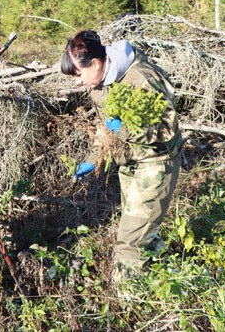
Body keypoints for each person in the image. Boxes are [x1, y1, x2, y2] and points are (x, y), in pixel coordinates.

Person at [61, 30, 182, 283]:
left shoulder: (143, 78)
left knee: (130, 241)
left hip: (156, 162)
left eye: (79, 74)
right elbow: (105, 128)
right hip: (129, 164)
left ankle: (126, 301)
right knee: (145, 233)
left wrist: (124, 128)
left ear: (95, 63)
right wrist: (94, 158)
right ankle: (164, 282)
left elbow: (167, 130)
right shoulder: (100, 84)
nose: (79, 82)